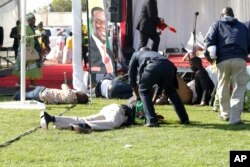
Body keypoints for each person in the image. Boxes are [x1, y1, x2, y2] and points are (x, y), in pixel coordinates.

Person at [204, 7, 250, 124]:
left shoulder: (217, 24)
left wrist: (211, 56)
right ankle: (235, 118)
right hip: (239, 59)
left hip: (223, 60)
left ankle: (225, 114)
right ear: (233, 14)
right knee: (239, 88)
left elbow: (209, 42)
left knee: (223, 86)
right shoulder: (243, 26)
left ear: (222, 15)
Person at [128, 47, 189, 127]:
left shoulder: (136, 54)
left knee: (144, 92)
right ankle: (184, 119)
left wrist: (137, 95)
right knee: (172, 92)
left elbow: (131, 76)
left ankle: (152, 120)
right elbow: (159, 85)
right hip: (169, 66)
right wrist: (153, 100)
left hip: (152, 65)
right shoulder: (157, 54)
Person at [40, 103, 135, 133]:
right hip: (119, 110)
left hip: (111, 108)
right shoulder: (139, 103)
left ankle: (52, 118)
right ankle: (85, 126)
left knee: (84, 118)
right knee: (111, 123)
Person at [12, 13, 43, 88]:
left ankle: (31, 83)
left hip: (30, 49)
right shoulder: (24, 27)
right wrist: (35, 36)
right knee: (24, 66)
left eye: (34, 19)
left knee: (32, 66)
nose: (34, 21)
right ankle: (19, 83)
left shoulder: (31, 27)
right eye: (33, 19)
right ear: (29, 20)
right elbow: (23, 38)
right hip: (25, 49)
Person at [89, 7, 115, 86]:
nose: (102, 25)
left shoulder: (107, 46)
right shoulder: (91, 46)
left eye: (104, 22)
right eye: (98, 22)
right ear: (92, 22)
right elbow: (93, 67)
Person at [13, 83, 88, 104]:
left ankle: (17, 95)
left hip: (44, 92)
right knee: (29, 95)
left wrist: (72, 89)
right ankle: (18, 95)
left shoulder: (70, 92)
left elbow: (63, 85)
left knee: (26, 95)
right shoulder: (72, 101)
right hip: (44, 95)